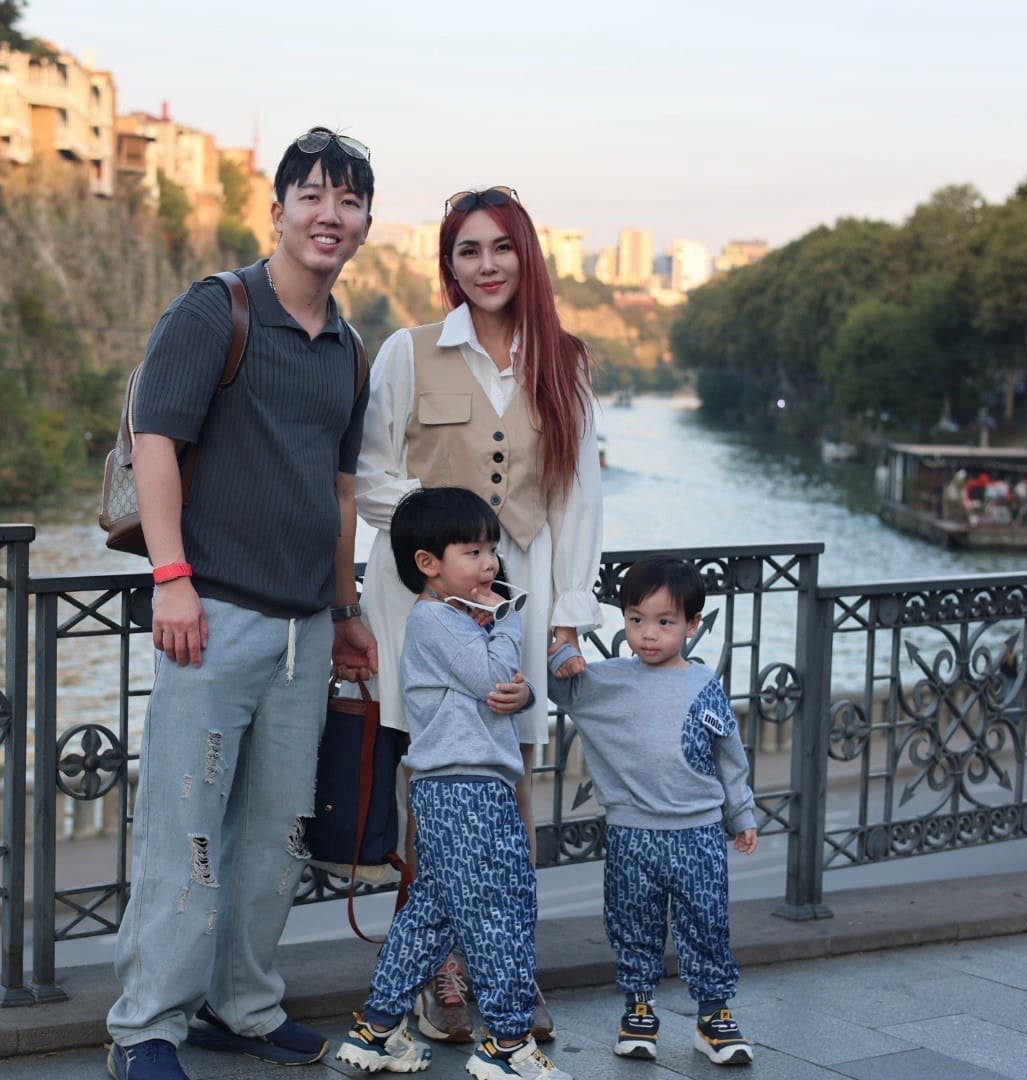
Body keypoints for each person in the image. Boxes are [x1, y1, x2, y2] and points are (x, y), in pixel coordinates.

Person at [105, 127, 379, 1080]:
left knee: (273, 838)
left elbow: (340, 490)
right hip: (212, 617)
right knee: (185, 830)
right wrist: (171, 579)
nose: (330, 215)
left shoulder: (348, 348)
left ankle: (242, 1006)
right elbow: (155, 443)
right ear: (278, 211)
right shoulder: (214, 310)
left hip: (306, 630)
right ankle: (146, 1027)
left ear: (365, 223)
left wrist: (344, 608)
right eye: (313, 196)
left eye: (348, 201)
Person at [354, 185, 602, 1043]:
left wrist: (566, 618)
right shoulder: (408, 351)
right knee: (432, 784)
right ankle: (441, 974)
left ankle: (509, 972)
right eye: (468, 250)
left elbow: (577, 498)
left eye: (501, 247)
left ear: (526, 257)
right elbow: (369, 474)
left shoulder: (563, 361)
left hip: (515, 600)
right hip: (419, 603)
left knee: (511, 782)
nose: (486, 264)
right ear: (449, 264)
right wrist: (440, 534)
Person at [334, 487, 570, 1080]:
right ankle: (507, 1044)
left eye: (491, 549)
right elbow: (492, 677)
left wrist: (524, 693)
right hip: (469, 790)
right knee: (500, 910)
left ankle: (377, 1030)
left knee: (431, 915)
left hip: (452, 788)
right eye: (473, 551)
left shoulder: (456, 619)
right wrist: (509, 619)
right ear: (428, 564)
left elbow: (499, 692)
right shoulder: (438, 619)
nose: (490, 564)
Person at [546, 556, 757, 1067]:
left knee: (706, 924)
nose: (648, 634)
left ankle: (713, 1016)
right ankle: (638, 1009)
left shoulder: (704, 684)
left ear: (692, 625)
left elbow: (729, 756)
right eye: (636, 619)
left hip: (699, 832)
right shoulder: (607, 681)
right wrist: (564, 651)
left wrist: (742, 815)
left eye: (665, 622)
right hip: (632, 834)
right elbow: (558, 686)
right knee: (632, 922)